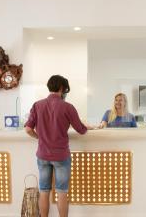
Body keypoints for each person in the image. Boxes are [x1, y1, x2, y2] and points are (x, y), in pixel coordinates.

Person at [24, 75, 94, 217]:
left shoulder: (37, 105)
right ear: (62, 88)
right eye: (65, 90)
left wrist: (40, 138)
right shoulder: (68, 107)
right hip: (61, 156)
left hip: (43, 155)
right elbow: (81, 130)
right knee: (62, 192)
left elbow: (28, 129)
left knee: (44, 191)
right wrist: (88, 127)